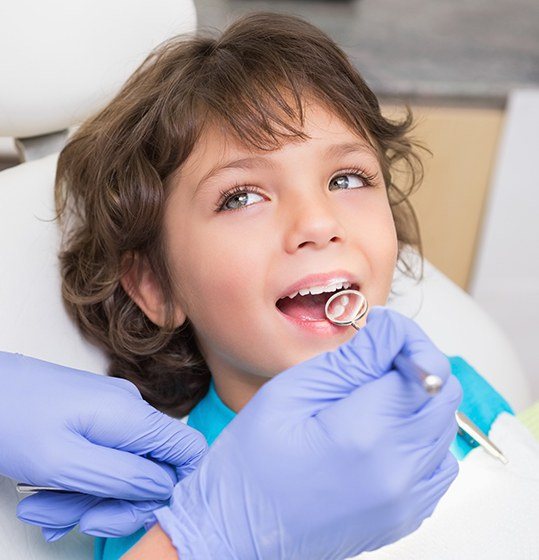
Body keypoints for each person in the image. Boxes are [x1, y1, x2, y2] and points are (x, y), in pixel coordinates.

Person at [8, 10, 512, 559]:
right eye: (242, 196)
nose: (319, 223)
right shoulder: (166, 509)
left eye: (347, 179)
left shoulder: (453, 392)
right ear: (156, 287)